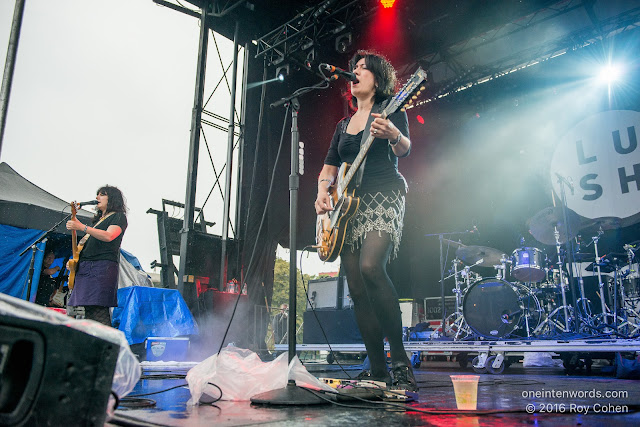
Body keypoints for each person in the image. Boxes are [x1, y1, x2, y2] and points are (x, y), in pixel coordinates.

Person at [314, 50, 417, 391]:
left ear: (376, 80)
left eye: (362, 68)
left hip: (384, 197)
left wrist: (393, 136)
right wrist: (322, 193)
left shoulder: (389, 111)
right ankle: (377, 369)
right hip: (347, 210)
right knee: (356, 287)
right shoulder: (342, 126)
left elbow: (405, 149)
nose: (354, 72)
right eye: (354, 68)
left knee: (372, 268)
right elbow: (328, 171)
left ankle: (401, 363)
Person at [65, 185, 128, 326]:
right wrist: (75, 262)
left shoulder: (119, 217)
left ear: (112, 199)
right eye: (97, 194)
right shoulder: (99, 221)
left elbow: (109, 236)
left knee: (98, 309)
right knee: (88, 311)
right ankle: (94, 344)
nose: (97, 197)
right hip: (88, 267)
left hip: (102, 268)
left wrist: (82, 227)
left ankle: (107, 344)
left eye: (102, 194)